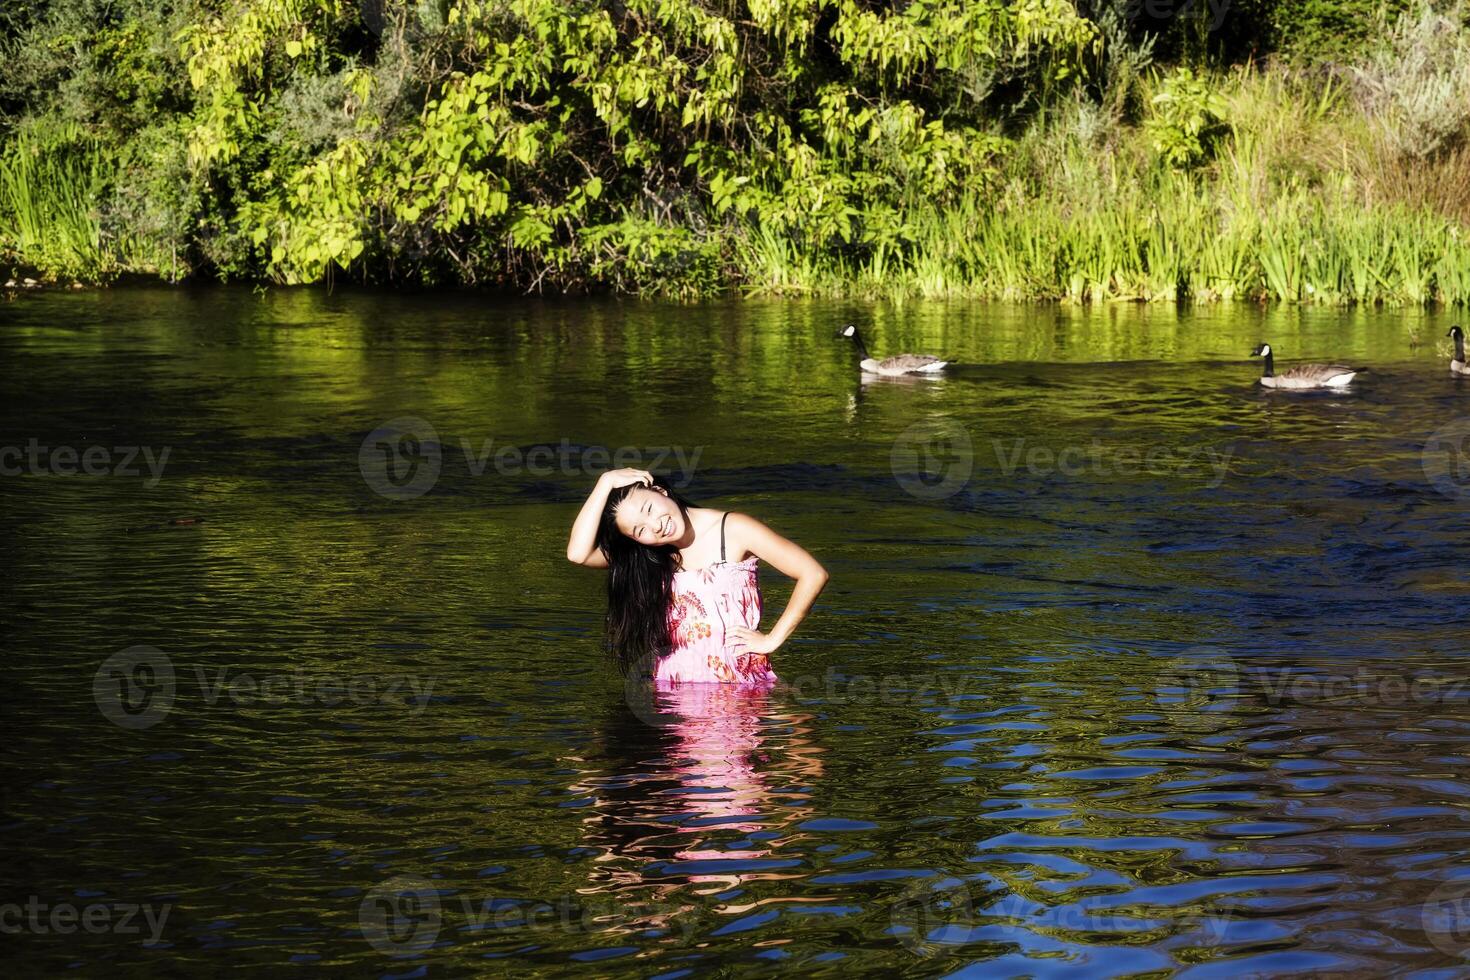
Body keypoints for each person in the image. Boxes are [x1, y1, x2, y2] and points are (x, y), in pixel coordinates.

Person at [567, 467, 827, 685]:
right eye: (639, 529)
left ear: (660, 491)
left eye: (649, 509)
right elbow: (578, 554)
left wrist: (772, 639)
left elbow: (812, 573)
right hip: (673, 689)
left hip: (737, 685)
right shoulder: (649, 555)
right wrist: (605, 482)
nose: (655, 525)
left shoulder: (734, 529)